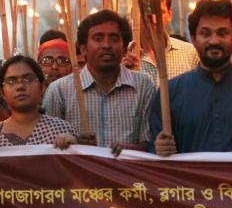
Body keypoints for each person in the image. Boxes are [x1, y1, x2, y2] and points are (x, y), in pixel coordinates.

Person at [150, 0, 232, 166]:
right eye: (206, 33)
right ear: (194, 38)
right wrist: (159, 150)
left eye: (222, 33)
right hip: (190, 191)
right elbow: (154, 157)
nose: (214, 41)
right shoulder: (169, 93)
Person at [42, 10, 154, 153]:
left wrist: (129, 149)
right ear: (83, 48)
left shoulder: (143, 86)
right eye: (98, 38)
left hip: (126, 173)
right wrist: (74, 144)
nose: (106, 45)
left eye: (114, 39)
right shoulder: (59, 91)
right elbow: (46, 147)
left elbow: (151, 143)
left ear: (125, 48)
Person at [121, 0, 199, 84]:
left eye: (160, 12)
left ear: (169, 14)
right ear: (134, 13)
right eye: (146, 12)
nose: (153, 19)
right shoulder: (123, 58)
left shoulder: (191, 54)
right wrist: (120, 75)